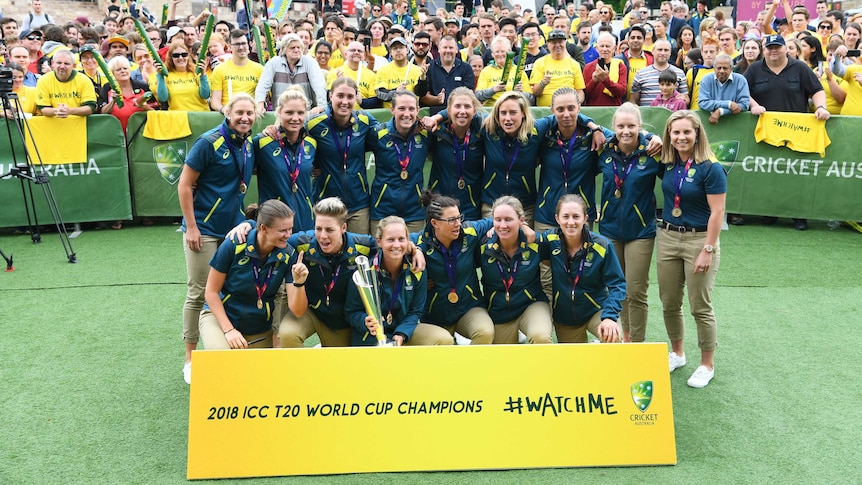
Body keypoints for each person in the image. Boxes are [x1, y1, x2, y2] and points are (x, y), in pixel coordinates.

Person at [177, 93, 259, 384]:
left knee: (230, 288)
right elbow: (185, 185)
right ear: (227, 112)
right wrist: (191, 227)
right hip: (205, 229)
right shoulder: (208, 142)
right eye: (239, 113)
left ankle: (229, 344)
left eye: (250, 113)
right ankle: (189, 358)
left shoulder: (249, 143)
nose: (245, 118)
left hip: (233, 229)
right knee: (199, 292)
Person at [276, 197, 424, 347]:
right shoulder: (301, 243)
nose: (322, 236)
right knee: (288, 333)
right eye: (318, 228)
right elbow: (275, 238)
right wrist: (250, 225)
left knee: (341, 364)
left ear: (343, 228)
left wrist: (414, 249)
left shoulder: (364, 246)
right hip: (312, 312)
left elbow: (391, 243)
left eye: (329, 230)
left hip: (342, 320)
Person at [658, 110, 726, 389]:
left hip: (700, 240)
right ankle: (677, 353)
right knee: (670, 302)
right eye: (676, 132)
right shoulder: (667, 162)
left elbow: (718, 211)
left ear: (697, 134)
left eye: (687, 132)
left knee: (700, 306)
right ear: (669, 136)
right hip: (668, 237)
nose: (681, 137)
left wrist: (707, 249)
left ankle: (706, 364)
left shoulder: (711, 167)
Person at [596, 103, 664, 343]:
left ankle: (636, 341)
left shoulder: (653, 152)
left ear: (640, 126)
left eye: (632, 126)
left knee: (635, 290)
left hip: (641, 232)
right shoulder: (604, 149)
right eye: (621, 126)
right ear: (613, 127)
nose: (626, 131)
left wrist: (654, 138)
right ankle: (621, 337)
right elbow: (584, 121)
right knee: (615, 287)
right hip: (608, 230)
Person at [745, 34, 828, 231]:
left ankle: (799, 215)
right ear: (764, 49)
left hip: (797, 130)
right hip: (766, 131)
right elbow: (742, 91)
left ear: (786, 49)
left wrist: (821, 107)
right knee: (768, 172)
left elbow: (816, 90)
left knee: (796, 172)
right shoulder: (755, 69)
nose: (773, 51)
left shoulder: (799, 67)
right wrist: (754, 105)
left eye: (778, 47)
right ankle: (770, 212)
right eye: (770, 47)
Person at [199, 200, 297, 351]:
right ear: (264, 228)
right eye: (283, 230)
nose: (288, 235)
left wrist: (300, 282)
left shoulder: (288, 254)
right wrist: (229, 330)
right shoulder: (234, 244)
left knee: (263, 371)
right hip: (220, 318)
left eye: (290, 229)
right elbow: (211, 292)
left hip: (259, 326)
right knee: (221, 356)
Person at [345, 216, 453, 346]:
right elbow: (351, 311)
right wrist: (364, 321)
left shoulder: (417, 269)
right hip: (371, 335)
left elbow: (416, 311)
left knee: (443, 339)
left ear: (408, 241)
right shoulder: (365, 272)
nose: (396, 245)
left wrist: (402, 333)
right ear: (379, 241)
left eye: (401, 239)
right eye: (390, 239)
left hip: (404, 331)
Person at [540, 194, 625, 343]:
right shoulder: (550, 240)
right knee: (573, 364)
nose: (571, 222)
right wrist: (492, 229)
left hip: (596, 311)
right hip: (565, 318)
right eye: (565, 216)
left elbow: (618, 284)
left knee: (613, 336)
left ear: (585, 218)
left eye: (576, 216)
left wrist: (610, 317)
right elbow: (522, 239)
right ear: (557, 219)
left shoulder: (602, 246)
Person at [415, 193, 494, 344]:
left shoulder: (469, 232)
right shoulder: (420, 242)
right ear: (435, 223)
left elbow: (498, 221)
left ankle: (471, 367)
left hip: (470, 308)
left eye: (459, 217)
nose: (458, 223)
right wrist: (415, 249)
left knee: (485, 332)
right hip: (436, 315)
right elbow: (400, 243)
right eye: (451, 220)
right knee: (442, 350)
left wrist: (498, 228)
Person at [306, 77, 379, 234]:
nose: (345, 101)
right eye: (340, 96)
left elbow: (390, 133)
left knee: (359, 254)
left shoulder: (365, 120)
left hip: (358, 206)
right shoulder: (314, 123)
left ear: (356, 98)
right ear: (330, 96)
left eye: (350, 97)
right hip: (326, 204)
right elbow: (292, 135)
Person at [479, 196, 553, 344]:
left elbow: (561, 256)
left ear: (521, 220)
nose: (503, 225)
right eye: (498, 220)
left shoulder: (535, 242)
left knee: (541, 337)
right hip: (498, 310)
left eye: (508, 219)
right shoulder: (482, 246)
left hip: (531, 304)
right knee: (503, 361)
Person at [254, 88, 316, 233]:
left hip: (305, 223)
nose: (295, 118)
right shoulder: (262, 143)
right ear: (279, 112)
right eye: (289, 112)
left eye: (300, 113)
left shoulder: (312, 144)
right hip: (273, 225)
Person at [366, 90, 428, 235]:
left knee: (412, 254)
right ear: (392, 110)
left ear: (418, 110)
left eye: (411, 109)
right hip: (382, 211)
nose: (407, 114)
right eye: (401, 108)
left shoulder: (425, 134)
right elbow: (351, 150)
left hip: (415, 213)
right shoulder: (378, 134)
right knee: (381, 255)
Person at [425, 88, 485, 221]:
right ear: (449, 110)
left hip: (470, 209)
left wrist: (439, 115)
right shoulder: (437, 132)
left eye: (467, 107)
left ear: (474, 111)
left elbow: (489, 117)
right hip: (439, 207)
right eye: (457, 106)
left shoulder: (481, 133)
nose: (462, 111)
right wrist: (438, 117)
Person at [256, 33, 327, 112]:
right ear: (284, 49)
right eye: (292, 48)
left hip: (306, 113)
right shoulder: (273, 63)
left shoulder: (310, 62)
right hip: (280, 113)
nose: (296, 50)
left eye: (299, 47)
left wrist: (322, 106)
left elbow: (319, 85)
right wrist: (260, 103)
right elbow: (263, 86)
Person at [414, 35, 475, 115]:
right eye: (445, 47)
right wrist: (437, 99)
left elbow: (469, 95)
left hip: (459, 113)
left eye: (451, 48)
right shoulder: (430, 67)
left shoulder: (466, 68)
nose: (448, 51)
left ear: (456, 49)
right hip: (435, 114)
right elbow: (422, 95)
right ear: (439, 49)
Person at [210, 29, 264, 113]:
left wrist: (260, 107)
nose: (241, 47)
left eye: (243, 43)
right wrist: (223, 109)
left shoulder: (259, 69)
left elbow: (263, 98)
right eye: (237, 44)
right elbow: (215, 101)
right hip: (228, 116)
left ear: (248, 44)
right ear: (230, 46)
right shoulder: (220, 69)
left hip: (250, 115)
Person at [35, 49, 98, 118]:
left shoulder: (84, 80)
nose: (62, 66)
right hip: (52, 126)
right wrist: (58, 111)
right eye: (59, 63)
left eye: (66, 64)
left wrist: (70, 111)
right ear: (53, 63)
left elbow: (90, 107)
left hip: (79, 126)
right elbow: (43, 108)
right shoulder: (43, 80)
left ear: (74, 66)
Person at [530, 29, 586, 106]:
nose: (557, 45)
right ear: (548, 45)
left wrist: (575, 104)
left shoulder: (574, 64)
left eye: (560, 42)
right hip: (546, 109)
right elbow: (535, 93)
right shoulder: (540, 62)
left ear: (565, 43)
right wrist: (543, 83)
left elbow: (580, 92)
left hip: (568, 107)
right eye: (554, 42)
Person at [99, 55, 154, 132]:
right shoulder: (107, 88)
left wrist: (144, 106)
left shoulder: (142, 86)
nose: (123, 71)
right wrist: (113, 101)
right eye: (118, 69)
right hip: (116, 134)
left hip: (142, 133)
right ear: (112, 73)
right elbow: (102, 113)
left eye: (125, 68)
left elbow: (156, 112)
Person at [151, 41, 210, 112]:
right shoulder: (166, 74)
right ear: (171, 58)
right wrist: (160, 75)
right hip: (178, 118)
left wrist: (203, 75)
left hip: (200, 115)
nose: (181, 58)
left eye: (184, 54)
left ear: (188, 56)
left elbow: (205, 95)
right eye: (176, 55)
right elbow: (163, 98)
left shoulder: (196, 71)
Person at [476, 36, 532, 106]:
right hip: (492, 109)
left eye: (503, 51)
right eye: (497, 52)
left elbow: (531, 99)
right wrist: (493, 90)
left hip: (514, 108)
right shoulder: (486, 71)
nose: (500, 54)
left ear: (510, 52)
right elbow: (478, 96)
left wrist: (521, 92)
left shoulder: (519, 70)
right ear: (492, 54)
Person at [631, 39, 688, 107]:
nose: (663, 53)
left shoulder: (679, 73)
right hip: (648, 115)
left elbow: (686, 99)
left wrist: (683, 99)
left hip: (672, 115)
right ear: (653, 51)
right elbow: (633, 100)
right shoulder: (641, 74)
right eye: (660, 50)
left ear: (670, 53)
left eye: (666, 50)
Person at [698, 53, 751, 125]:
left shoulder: (740, 80)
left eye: (725, 68)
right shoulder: (706, 79)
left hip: (735, 125)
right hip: (710, 124)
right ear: (714, 68)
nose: (722, 71)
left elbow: (744, 105)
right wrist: (728, 104)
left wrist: (721, 111)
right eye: (719, 68)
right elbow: (703, 103)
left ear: (731, 69)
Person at [583, 32, 628, 106]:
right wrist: (594, 81)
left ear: (614, 48)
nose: (604, 49)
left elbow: (621, 92)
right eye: (602, 46)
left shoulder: (620, 65)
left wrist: (605, 80)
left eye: (608, 46)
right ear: (597, 48)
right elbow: (584, 94)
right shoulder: (588, 67)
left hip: (613, 109)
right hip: (593, 110)